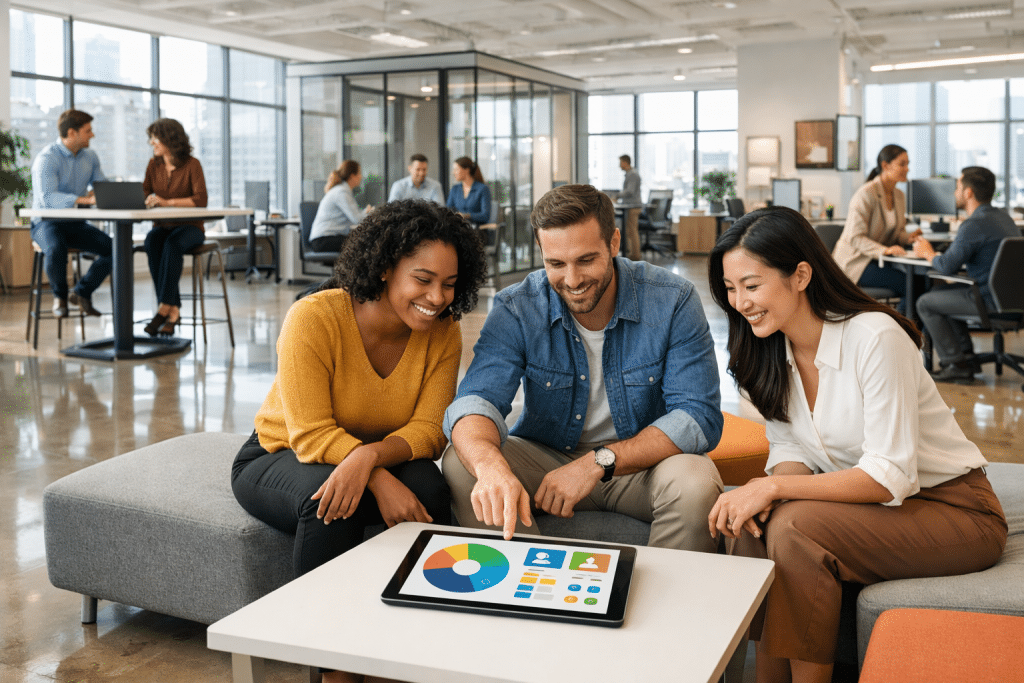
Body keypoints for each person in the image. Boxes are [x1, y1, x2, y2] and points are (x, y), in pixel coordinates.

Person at [708, 206, 1007, 683]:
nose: (740, 302)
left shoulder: (874, 337)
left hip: (955, 510)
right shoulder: (765, 353)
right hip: (883, 510)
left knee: (792, 526)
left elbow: (890, 474)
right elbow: (790, 454)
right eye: (729, 288)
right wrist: (764, 493)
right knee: (752, 525)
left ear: (801, 275)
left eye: (752, 284)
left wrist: (770, 490)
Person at [442, 183, 724, 551]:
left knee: (697, 483)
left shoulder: (672, 299)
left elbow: (698, 415)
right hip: (547, 460)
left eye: (586, 260)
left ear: (614, 243)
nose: (572, 280)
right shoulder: (517, 306)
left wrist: (597, 462)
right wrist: (490, 466)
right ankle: (531, 584)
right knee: (462, 464)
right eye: (556, 264)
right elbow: (476, 400)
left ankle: (665, 599)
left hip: (641, 467)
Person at [913, 166, 1022, 383]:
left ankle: (955, 364)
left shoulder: (973, 225)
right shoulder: (1004, 218)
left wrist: (928, 253)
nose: (954, 192)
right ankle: (966, 357)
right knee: (944, 292)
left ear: (968, 192)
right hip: (1014, 300)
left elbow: (945, 267)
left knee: (925, 302)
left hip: (989, 300)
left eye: (957, 187)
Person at [29, 109, 112, 319]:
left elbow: (100, 184)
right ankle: (61, 298)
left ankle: (82, 292)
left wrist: (103, 192)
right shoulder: (47, 158)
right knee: (56, 248)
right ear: (72, 133)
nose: (92, 135)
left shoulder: (90, 157)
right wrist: (84, 199)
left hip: (75, 223)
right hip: (46, 223)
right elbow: (48, 198)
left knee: (116, 249)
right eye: (88, 131)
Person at [832, 144, 922, 312]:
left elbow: (898, 232)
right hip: (856, 261)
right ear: (885, 166)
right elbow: (855, 237)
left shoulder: (899, 195)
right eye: (902, 164)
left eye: (908, 164)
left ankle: (911, 330)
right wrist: (885, 251)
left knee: (922, 281)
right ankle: (906, 328)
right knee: (911, 285)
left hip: (878, 259)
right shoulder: (866, 194)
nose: (907, 169)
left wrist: (907, 238)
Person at [141, 118, 208, 337]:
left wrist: (165, 201)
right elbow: (144, 193)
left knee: (172, 244)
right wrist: (149, 200)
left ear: (169, 138)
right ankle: (172, 309)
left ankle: (163, 308)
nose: (152, 143)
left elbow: (200, 200)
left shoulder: (192, 164)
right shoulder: (154, 165)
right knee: (152, 241)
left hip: (190, 228)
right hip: (163, 225)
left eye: (155, 137)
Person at [310, 160, 369, 252]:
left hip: (328, 238)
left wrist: (365, 213)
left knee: (363, 242)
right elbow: (357, 219)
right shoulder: (341, 192)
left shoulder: (344, 191)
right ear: (352, 176)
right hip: (323, 240)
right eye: (359, 173)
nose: (361, 176)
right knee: (365, 244)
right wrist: (369, 214)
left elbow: (355, 217)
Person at [446, 156, 492, 225]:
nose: (453, 172)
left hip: (476, 229)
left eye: (456, 169)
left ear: (466, 170)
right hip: (459, 228)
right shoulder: (455, 189)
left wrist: (465, 215)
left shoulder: (482, 189)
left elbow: (485, 216)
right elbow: (448, 210)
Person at [618, 154, 642, 261]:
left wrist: (617, 195)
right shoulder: (630, 174)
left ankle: (635, 256)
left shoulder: (632, 175)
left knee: (632, 231)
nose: (619, 165)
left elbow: (630, 191)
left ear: (625, 162)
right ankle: (631, 254)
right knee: (629, 231)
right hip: (631, 206)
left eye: (620, 162)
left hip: (633, 207)